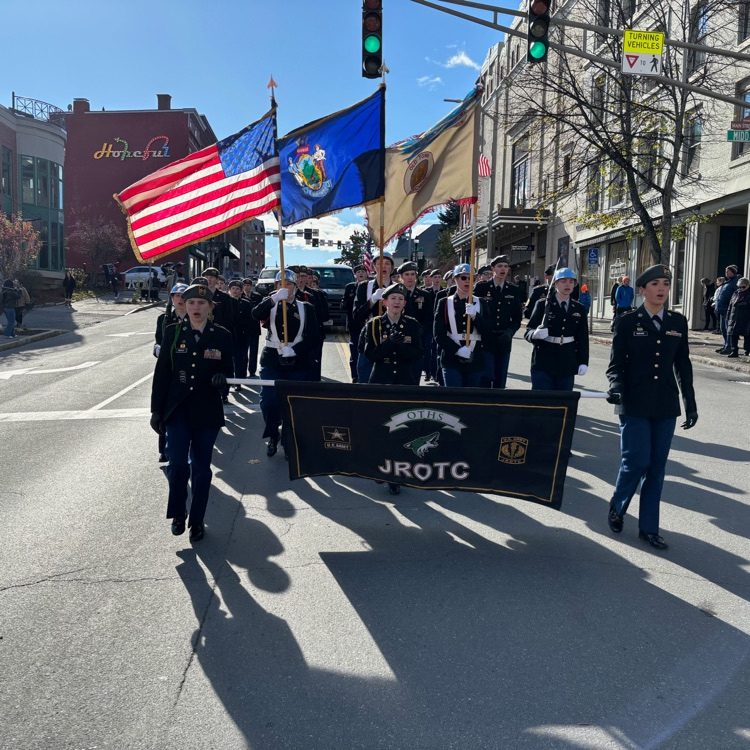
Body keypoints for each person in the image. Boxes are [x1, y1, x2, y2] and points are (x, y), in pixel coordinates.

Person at [606, 264, 698, 551]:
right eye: (655, 284)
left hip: (664, 404)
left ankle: (649, 528)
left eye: (666, 284)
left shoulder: (677, 322)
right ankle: (617, 506)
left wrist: (690, 403)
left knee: (657, 467)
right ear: (642, 290)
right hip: (633, 402)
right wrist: (615, 387)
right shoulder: (627, 321)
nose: (661, 289)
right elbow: (616, 365)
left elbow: (683, 365)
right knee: (635, 462)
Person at [150, 283, 234, 542]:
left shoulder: (221, 335)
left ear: (210, 307)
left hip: (207, 411)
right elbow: (162, 374)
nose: (196, 308)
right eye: (191, 303)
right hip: (177, 410)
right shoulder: (173, 333)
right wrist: (156, 411)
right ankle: (178, 513)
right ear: (184, 306)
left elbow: (228, 369)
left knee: (201, 468)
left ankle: (197, 520)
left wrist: (223, 378)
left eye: (201, 303)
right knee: (176, 464)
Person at [364, 283, 424, 496]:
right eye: (393, 298)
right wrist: (389, 343)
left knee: (402, 428)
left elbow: (417, 353)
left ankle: (396, 474)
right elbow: (370, 355)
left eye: (400, 299)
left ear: (405, 303)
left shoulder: (412, 325)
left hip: (405, 382)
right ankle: (380, 468)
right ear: (385, 302)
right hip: (381, 380)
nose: (397, 302)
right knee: (381, 427)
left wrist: (400, 346)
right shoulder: (374, 325)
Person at [251, 269, 319, 457]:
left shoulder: (306, 307)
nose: (284, 288)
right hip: (273, 359)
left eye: (288, 284)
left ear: (296, 287)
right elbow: (255, 315)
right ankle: (273, 434)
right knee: (269, 401)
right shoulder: (270, 305)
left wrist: (296, 350)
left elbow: (314, 336)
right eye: (280, 284)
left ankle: (291, 441)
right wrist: (272, 299)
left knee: (294, 404)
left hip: (298, 361)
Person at [524, 267, 589, 391]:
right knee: (542, 401)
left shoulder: (579, 308)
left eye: (571, 281)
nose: (568, 285)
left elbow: (582, 338)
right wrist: (534, 334)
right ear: (555, 283)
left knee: (563, 402)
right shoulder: (543, 304)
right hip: (544, 359)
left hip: (567, 359)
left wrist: (583, 361)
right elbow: (528, 331)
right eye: (563, 281)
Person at [434, 264, 490, 388]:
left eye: (471, 278)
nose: (468, 281)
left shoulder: (481, 303)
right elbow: (438, 334)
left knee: (472, 399)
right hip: (451, 358)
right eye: (463, 278)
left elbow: (488, 331)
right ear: (455, 280)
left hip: (475, 358)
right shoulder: (444, 303)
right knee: (453, 397)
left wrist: (476, 316)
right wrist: (456, 350)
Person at [474, 255, 523, 389]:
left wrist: (510, 332)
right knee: (486, 375)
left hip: (504, 339)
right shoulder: (481, 288)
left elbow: (517, 317)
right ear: (493, 269)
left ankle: (498, 407)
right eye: (500, 266)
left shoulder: (513, 290)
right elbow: (475, 312)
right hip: (485, 339)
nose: (503, 269)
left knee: (500, 379)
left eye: (506, 266)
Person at [153, 283, 188, 462]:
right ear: (172, 299)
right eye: (176, 296)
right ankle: (163, 449)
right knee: (165, 409)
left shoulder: (194, 318)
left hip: (187, 368)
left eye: (183, 296)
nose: (180, 300)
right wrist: (158, 348)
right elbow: (158, 340)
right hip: (168, 368)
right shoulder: (164, 319)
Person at [352, 252, 395, 384]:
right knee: (365, 381)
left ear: (392, 268)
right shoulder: (364, 287)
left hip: (391, 339)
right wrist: (373, 299)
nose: (383, 266)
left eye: (387, 263)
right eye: (379, 263)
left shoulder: (398, 288)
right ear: (374, 267)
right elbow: (357, 316)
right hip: (369, 339)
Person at [396, 261, 432, 383]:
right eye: (407, 274)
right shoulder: (394, 295)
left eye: (413, 274)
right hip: (398, 341)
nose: (410, 277)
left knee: (414, 379)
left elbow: (429, 318)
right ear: (401, 277)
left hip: (417, 342)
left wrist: (419, 333)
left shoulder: (425, 295)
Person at [343, 265, 368, 382]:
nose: (361, 274)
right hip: (354, 324)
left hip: (366, 323)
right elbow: (344, 304)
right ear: (355, 274)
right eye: (358, 272)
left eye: (363, 271)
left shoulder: (370, 286)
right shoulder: (350, 287)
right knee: (354, 349)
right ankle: (355, 375)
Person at [714, 265, 740, 354]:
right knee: (723, 329)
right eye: (726, 271)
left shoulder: (736, 282)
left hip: (728, 310)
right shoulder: (727, 282)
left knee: (728, 329)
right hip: (721, 309)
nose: (726, 273)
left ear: (733, 272)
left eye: (728, 271)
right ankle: (725, 345)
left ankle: (729, 347)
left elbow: (738, 294)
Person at [241, 277, 263, 377]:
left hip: (254, 327)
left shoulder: (257, 297)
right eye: (245, 285)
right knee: (243, 352)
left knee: (253, 351)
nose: (247, 287)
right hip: (244, 329)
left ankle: (252, 370)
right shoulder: (240, 296)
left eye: (248, 285)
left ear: (251, 286)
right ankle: (243, 370)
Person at [726, 277, 750, 358]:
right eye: (739, 287)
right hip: (734, 316)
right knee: (733, 334)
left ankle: (747, 351)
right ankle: (734, 351)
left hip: (745, 317)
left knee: (747, 335)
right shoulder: (736, 293)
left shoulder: (749, 294)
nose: (741, 289)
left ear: (747, 286)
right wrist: (728, 316)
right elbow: (730, 305)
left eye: (743, 287)